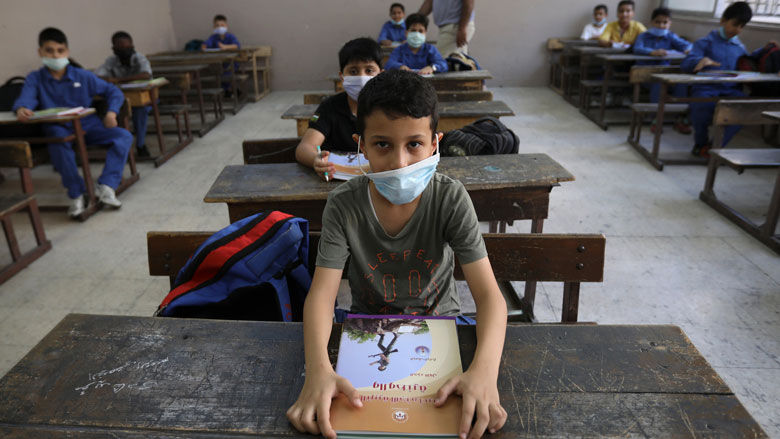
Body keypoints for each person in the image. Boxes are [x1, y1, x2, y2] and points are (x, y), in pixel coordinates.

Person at [286, 70, 508, 439]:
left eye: (415, 144)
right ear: (361, 145)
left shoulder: (450, 198)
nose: (400, 162)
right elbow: (322, 296)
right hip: (368, 334)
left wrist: (484, 373)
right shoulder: (344, 204)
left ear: (436, 143)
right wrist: (318, 370)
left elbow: (489, 297)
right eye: (383, 145)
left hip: (443, 330)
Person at [13, 27, 131, 218]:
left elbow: (113, 91)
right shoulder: (35, 78)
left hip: (88, 127)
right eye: (49, 51)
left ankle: (107, 186)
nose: (55, 55)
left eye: (60, 51)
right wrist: (22, 108)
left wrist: (111, 112)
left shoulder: (81, 75)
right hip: (59, 130)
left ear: (67, 51)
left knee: (123, 136)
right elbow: (26, 99)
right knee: (57, 140)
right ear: (40, 52)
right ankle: (78, 194)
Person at [680, 1, 774, 156]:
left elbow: (747, 61)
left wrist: (762, 51)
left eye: (742, 26)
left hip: (730, 90)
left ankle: (714, 147)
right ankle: (700, 143)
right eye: (735, 24)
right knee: (701, 107)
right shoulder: (705, 43)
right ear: (723, 20)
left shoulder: (739, 47)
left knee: (746, 109)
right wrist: (699, 61)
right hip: (706, 89)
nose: (737, 30)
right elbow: (686, 63)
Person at [294, 38, 382, 179]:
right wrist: (316, 160)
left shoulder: (389, 108)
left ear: (381, 74)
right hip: (336, 181)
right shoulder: (330, 107)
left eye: (369, 70)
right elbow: (305, 147)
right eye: (353, 71)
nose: (361, 77)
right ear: (342, 76)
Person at [633, 7, 693, 133]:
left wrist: (688, 49)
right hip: (647, 74)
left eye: (665, 23)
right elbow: (637, 48)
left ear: (670, 23)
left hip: (666, 73)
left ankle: (680, 118)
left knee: (682, 84)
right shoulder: (644, 36)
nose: (661, 25)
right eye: (658, 22)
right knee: (659, 83)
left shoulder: (671, 36)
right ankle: (656, 119)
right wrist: (652, 52)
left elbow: (688, 46)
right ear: (651, 22)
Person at [96, 31, 154, 158]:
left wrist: (117, 80)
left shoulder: (139, 58)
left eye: (127, 48)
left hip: (144, 97)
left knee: (140, 110)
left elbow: (146, 75)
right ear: (114, 49)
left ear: (132, 46)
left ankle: (140, 145)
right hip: (120, 99)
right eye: (120, 48)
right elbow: (99, 75)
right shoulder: (111, 60)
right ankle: (116, 146)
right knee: (105, 110)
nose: (125, 51)